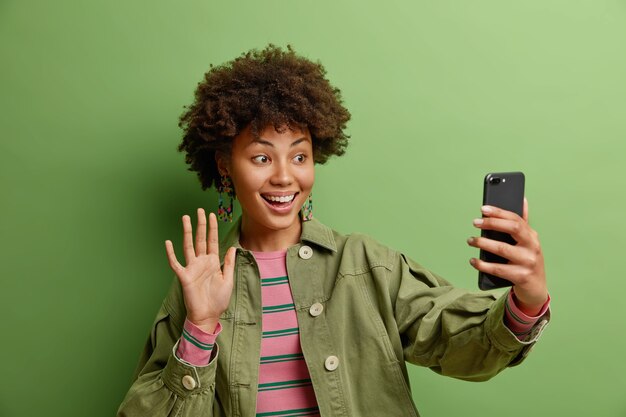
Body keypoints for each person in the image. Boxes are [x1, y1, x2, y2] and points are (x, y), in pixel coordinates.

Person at [117, 45, 550, 417]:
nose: (285, 177)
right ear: (226, 166)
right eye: (262, 158)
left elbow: (464, 346)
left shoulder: (365, 265)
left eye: (300, 156)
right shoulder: (199, 287)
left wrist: (526, 300)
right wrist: (199, 328)